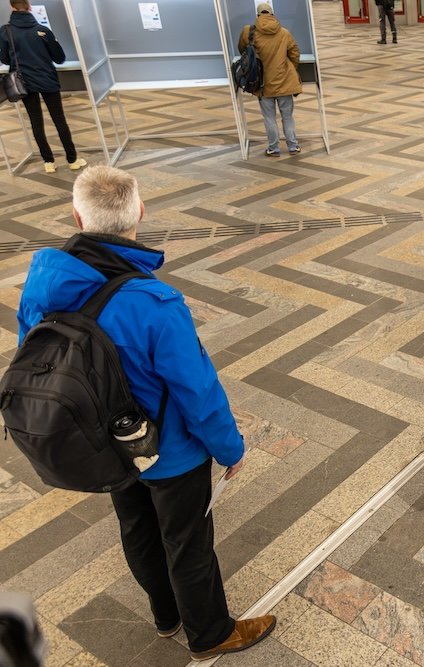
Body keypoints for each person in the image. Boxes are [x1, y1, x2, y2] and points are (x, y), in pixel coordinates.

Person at [15, 166, 275, 661]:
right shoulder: (155, 302)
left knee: (135, 526)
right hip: (169, 453)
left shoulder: (42, 281)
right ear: (139, 212)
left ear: (77, 215)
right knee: (187, 542)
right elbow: (196, 390)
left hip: (100, 446)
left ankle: (166, 616)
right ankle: (211, 633)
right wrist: (230, 448)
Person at [0, 0, 86, 174]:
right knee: (59, 120)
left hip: (24, 83)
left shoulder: (5, 31)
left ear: (12, 7)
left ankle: (48, 162)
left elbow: (5, 60)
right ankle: (73, 160)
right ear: (29, 7)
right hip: (48, 80)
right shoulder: (43, 31)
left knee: (36, 122)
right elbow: (59, 58)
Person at [239, 4, 301, 157]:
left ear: (258, 14)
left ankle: (274, 148)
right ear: (272, 14)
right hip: (284, 81)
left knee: (269, 117)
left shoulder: (249, 32)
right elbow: (294, 53)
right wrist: (290, 68)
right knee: (287, 116)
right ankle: (293, 146)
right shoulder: (284, 32)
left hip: (262, 83)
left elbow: (242, 50)